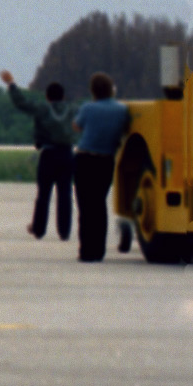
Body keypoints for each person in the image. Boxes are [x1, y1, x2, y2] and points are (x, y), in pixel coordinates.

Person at [1, 69, 75, 241]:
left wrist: (12, 84)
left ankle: (39, 229)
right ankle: (64, 231)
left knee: (43, 194)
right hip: (67, 154)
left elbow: (22, 104)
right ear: (63, 97)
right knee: (65, 194)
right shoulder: (72, 110)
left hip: (48, 154)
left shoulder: (43, 109)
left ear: (48, 97)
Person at [68, 71, 131, 263]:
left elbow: (76, 126)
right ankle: (99, 250)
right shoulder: (122, 110)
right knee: (99, 204)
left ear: (93, 90)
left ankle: (87, 250)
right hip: (106, 160)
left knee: (85, 206)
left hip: (85, 158)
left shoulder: (88, 108)